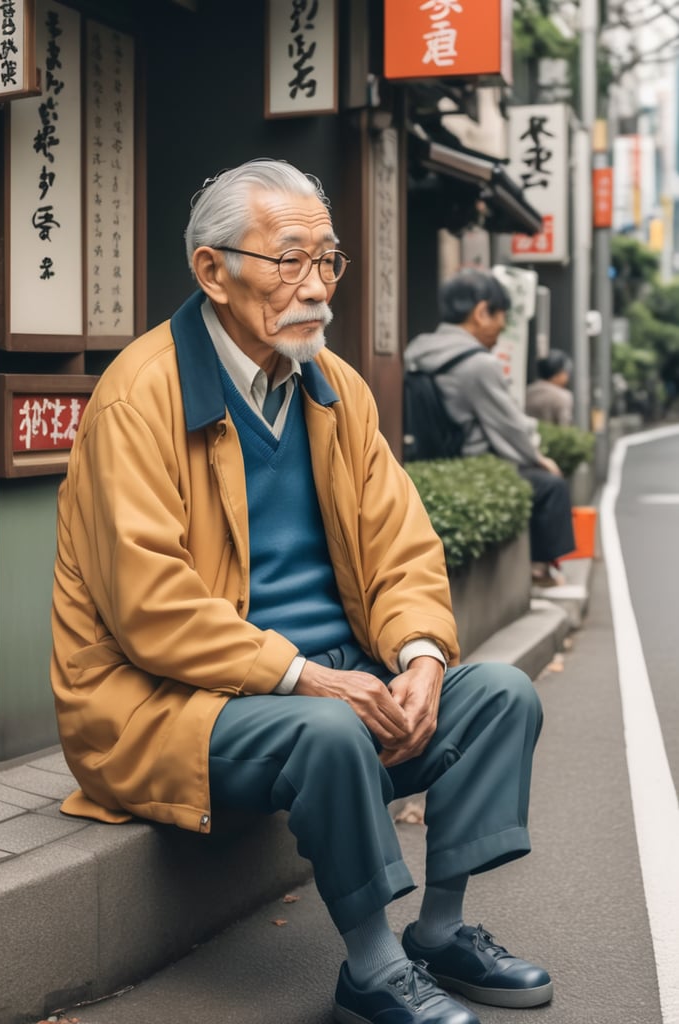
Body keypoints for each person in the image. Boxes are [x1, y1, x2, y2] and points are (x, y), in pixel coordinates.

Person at [51, 160, 552, 1024]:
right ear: (212, 271)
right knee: (326, 728)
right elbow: (149, 606)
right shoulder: (138, 396)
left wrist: (421, 656)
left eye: (328, 261)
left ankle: (437, 931)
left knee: (496, 695)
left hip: (327, 680)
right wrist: (312, 678)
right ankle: (370, 970)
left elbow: (402, 546)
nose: (316, 287)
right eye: (289, 261)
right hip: (171, 703)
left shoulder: (334, 387)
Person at [404, 268, 575, 589]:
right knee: (550, 485)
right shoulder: (478, 364)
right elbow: (509, 427)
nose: (502, 327)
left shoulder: (418, 349)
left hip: (427, 458)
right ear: (482, 312)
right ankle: (540, 569)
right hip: (470, 463)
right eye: (501, 317)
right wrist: (538, 456)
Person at [525, 349, 574, 426]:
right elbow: (564, 428)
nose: (567, 376)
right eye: (565, 372)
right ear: (556, 374)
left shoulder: (528, 391)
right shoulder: (563, 396)